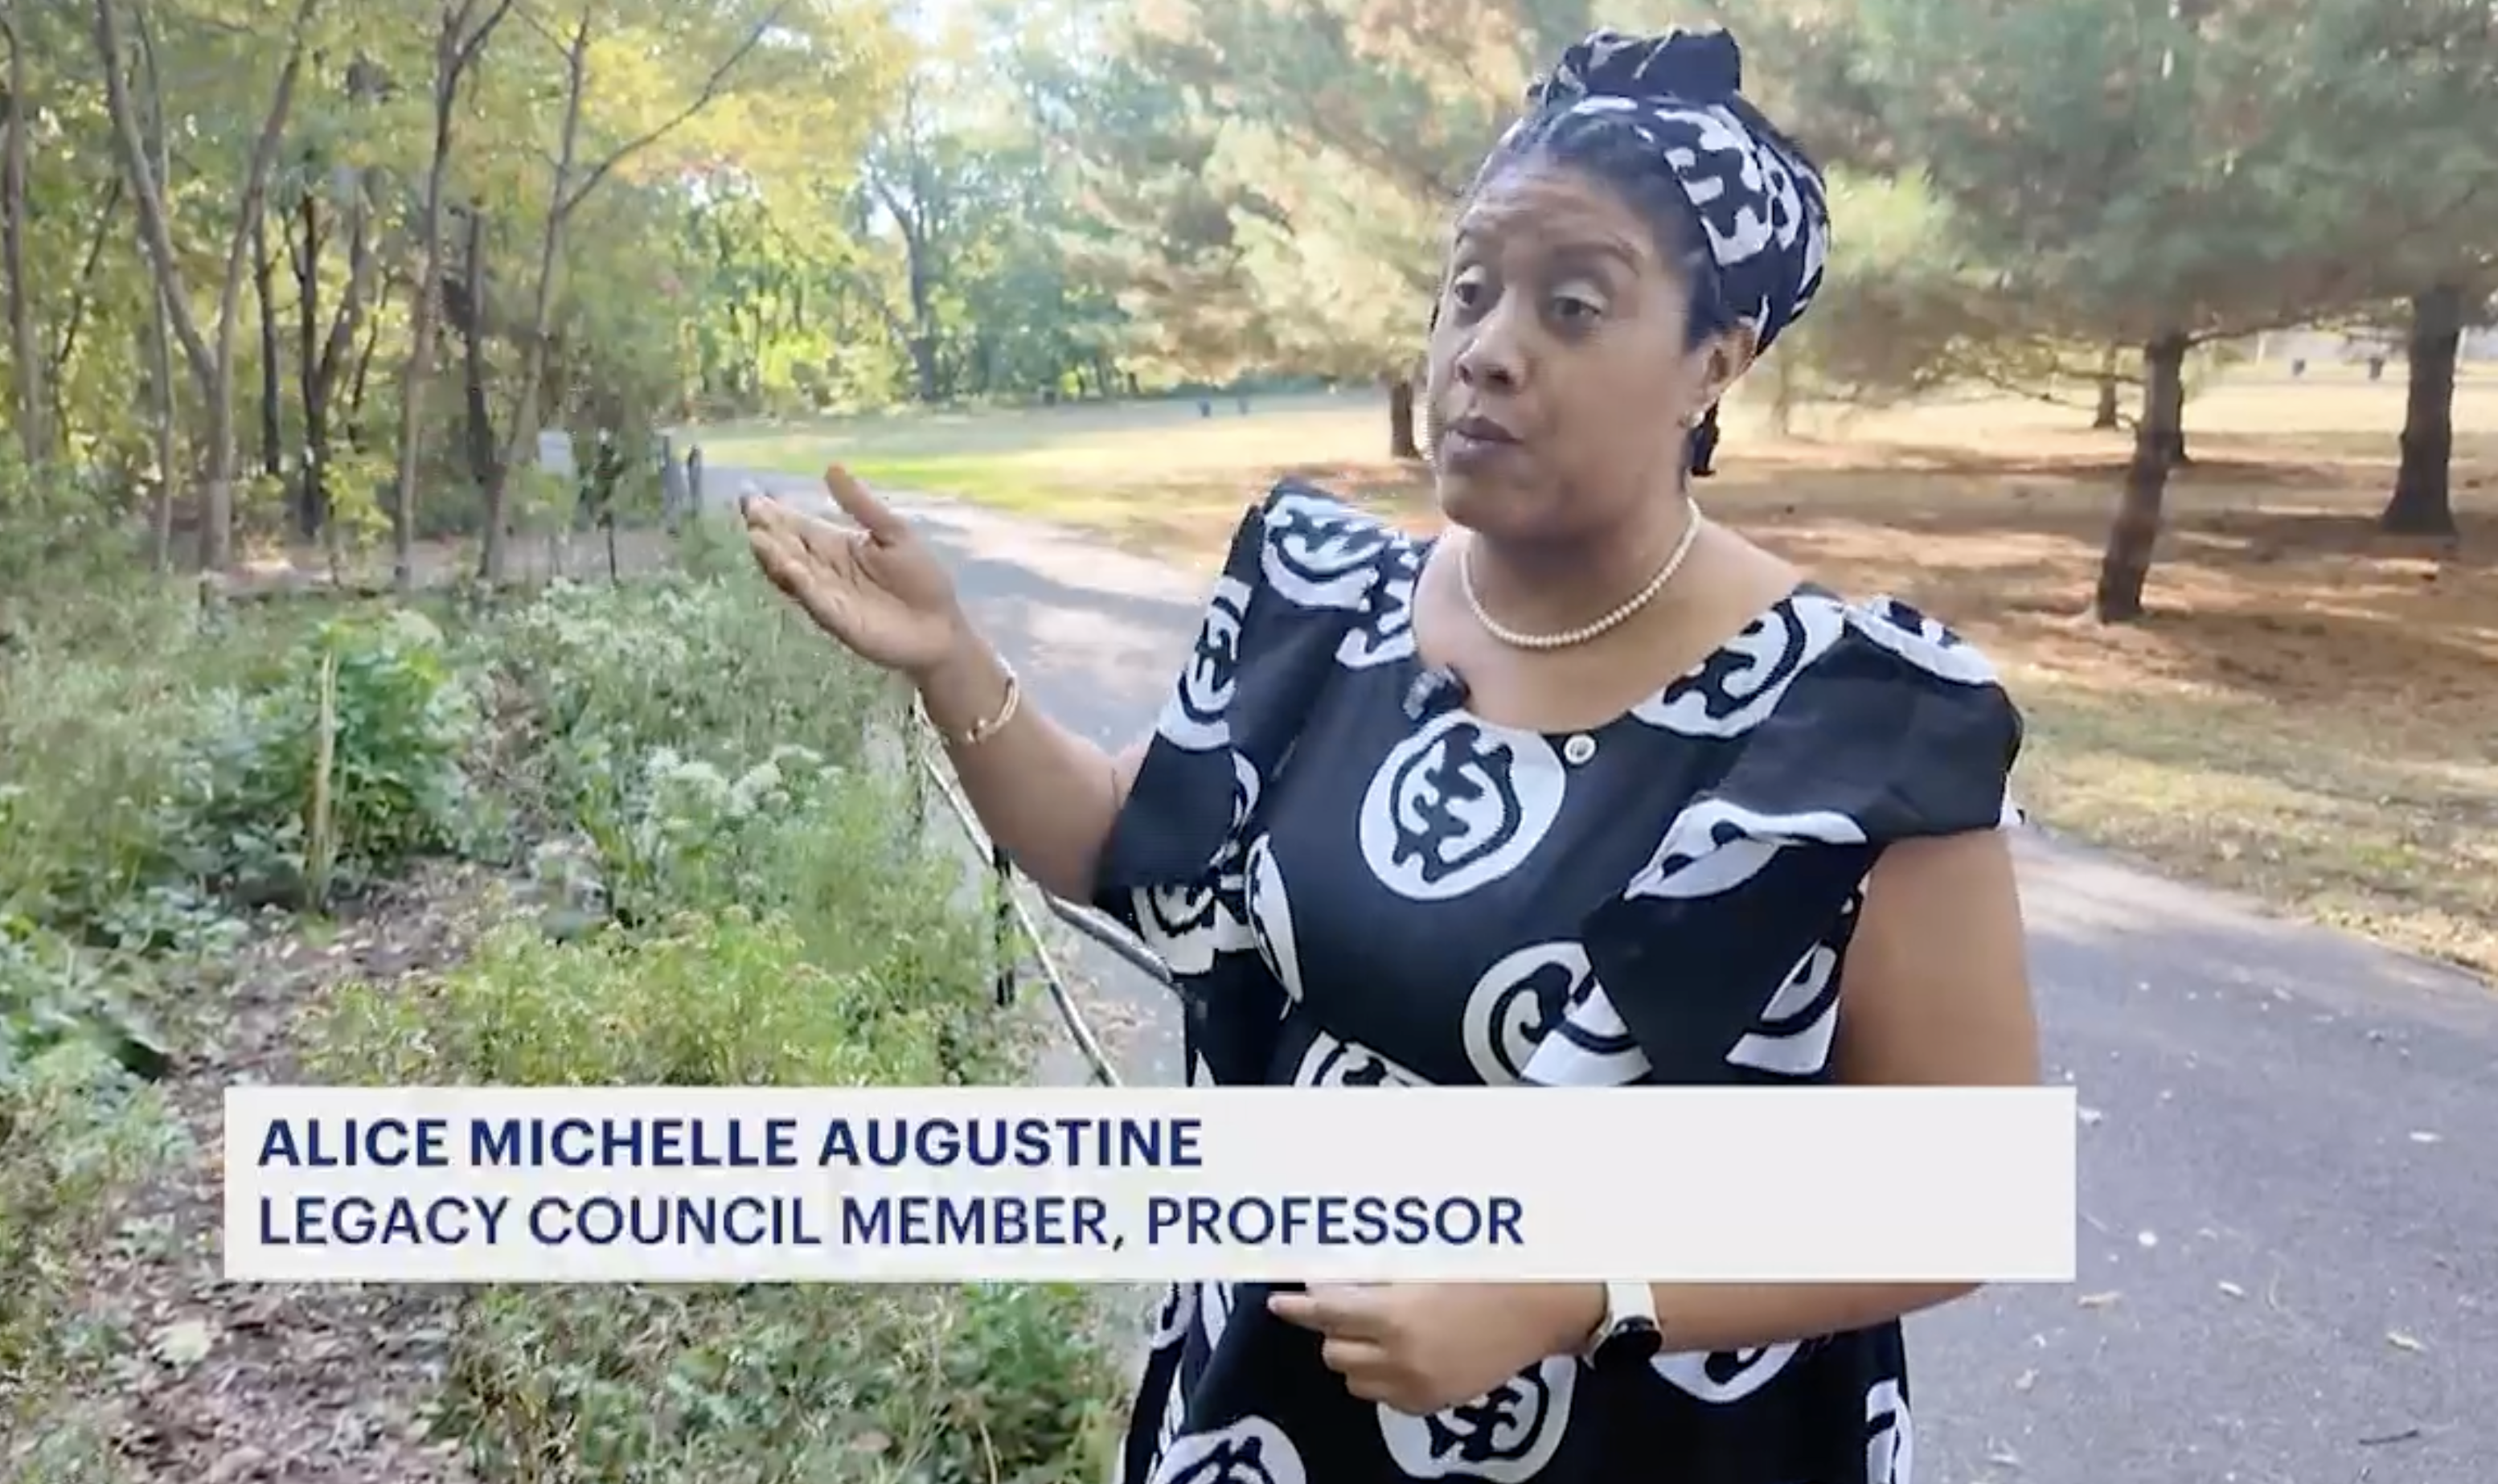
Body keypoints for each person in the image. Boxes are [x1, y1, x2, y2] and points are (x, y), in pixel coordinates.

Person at [740, 23, 2037, 1484]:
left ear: (1710, 362)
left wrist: (1573, 1291)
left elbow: (1962, 1197)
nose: (1483, 348)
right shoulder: (1324, 601)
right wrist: (951, 659)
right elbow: (1132, 843)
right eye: (1467, 290)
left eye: (1571, 304)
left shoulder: (1856, 727)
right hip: (1269, 1421)